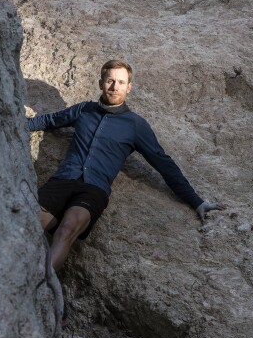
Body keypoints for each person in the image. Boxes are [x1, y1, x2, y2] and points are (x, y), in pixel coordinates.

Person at [28, 59, 224, 271]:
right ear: (100, 82)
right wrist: (13, 122)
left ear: (129, 87)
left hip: (94, 190)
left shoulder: (135, 125)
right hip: (63, 179)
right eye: (110, 81)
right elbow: (49, 120)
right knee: (28, 214)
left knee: (67, 230)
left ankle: (37, 283)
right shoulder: (84, 110)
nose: (114, 87)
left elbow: (164, 163)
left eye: (121, 82)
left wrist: (196, 201)